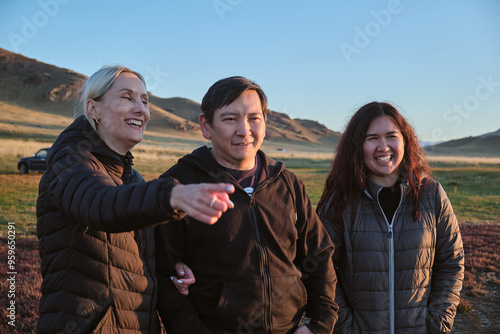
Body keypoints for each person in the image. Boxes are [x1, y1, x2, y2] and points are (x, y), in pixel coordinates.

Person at [36, 65, 234, 334]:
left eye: (144, 100)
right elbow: (101, 204)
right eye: (126, 97)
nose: (141, 109)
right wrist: (171, 194)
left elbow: (135, 250)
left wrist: (177, 268)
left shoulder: (133, 179)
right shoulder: (69, 163)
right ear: (93, 109)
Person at [155, 76, 338, 333]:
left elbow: (320, 257)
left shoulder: (288, 184)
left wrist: (318, 325)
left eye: (254, 118)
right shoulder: (180, 186)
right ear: (206, 126)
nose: (244, 130)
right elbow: (164, 275)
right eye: (230, 119)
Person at [316, 101, 465, 333]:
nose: (383, 147)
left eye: (391, 136)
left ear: (405, 141)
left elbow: (451, 262)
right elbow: (321, 271)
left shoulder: (431, 195)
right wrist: (346, 327)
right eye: (372, 138)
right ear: (357, 146)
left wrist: (438, 323)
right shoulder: (339, 202)